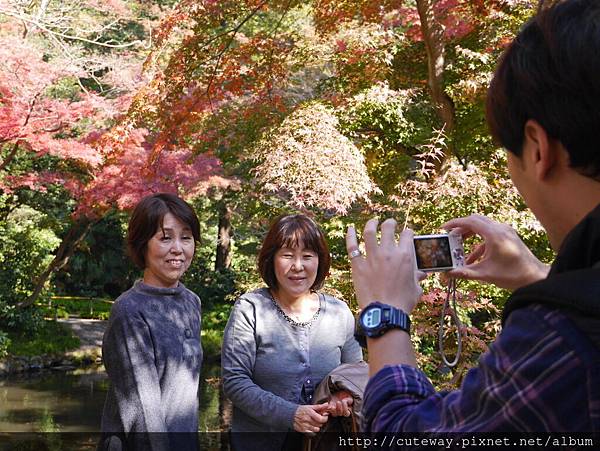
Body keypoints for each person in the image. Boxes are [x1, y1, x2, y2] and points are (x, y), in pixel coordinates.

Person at [346, 0, 600, 434]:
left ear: (538, 148)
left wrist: (384, 313)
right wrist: (541, 279)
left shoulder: (562, 339)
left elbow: (404, 435)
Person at [222, 214, 363, 450]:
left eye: (307, 256)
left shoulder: (339, 312)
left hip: (324, 442)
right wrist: (291, 414)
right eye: (287, 255)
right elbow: (235, 382)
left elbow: (355, 374)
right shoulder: (251, 308)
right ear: (272, 259)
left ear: (319, 261)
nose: (298, 266)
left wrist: (344, 396)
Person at [98, 193, 203, 451]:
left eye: (186, 238)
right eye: (165, 238)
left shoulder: (191, 302)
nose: (177, 248)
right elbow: (143, 412)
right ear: (143, 244)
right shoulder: (129, 311)